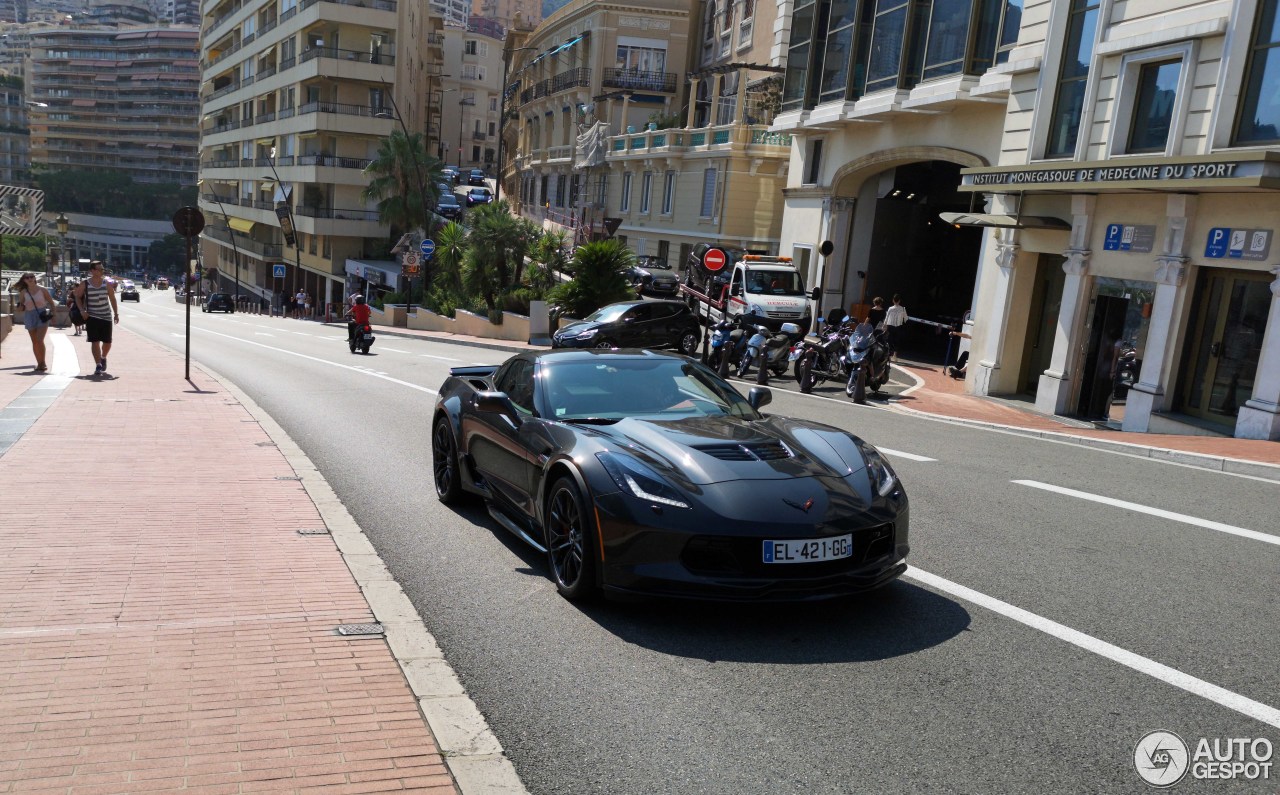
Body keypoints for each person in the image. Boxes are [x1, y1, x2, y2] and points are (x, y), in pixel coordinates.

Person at [74, 261, 120, 376]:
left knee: (107, 342)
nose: (101, 271)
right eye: (99, 269)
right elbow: (77, 296)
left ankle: (103, 357)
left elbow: (113, 299)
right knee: (94, 341)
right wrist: (82, 310)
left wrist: (116, 314)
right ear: (92, 271)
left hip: (106, 316)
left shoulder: (106, 283)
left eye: (102, 269)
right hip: (92, 316)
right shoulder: (85, 284)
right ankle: (98, 364)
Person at [13, 273, 54, 372]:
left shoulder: (43, 290)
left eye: (31, 277)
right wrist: (19, 307)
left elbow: (51, 302)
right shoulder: (23, 292)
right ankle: (39, 363)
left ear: (35, 278)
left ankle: (43, 362)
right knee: (35, 342)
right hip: (29, 315)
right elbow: (21, 306)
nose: (30, 279)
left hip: (42, 314)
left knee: (40, 340)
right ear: (24, 280)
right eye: (27, 278)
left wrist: (54, 314)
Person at [883, 294, 908, 360]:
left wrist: (884, 325)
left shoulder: (890, 308)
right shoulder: (903, 308)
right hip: (898, 327)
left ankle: (888, 355)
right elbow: (906, 319)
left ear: (893, 301)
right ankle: (895, 355)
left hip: (890, 326)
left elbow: (887, 317)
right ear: (899, 301)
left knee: (889, 340)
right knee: (897, 341)